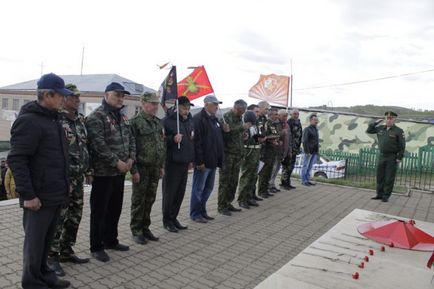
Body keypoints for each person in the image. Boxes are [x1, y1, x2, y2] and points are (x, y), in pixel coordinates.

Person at [8, 73, 72, 289]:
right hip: (38, 196)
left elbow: (56, 158)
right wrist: (28, 195)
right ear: (47, 95)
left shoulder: (53, 119)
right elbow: (17, 160)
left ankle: (44, 274)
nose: (64, 99)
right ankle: (31, 281)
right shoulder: (29, 121)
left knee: (46, 242)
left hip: (54, 193)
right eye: (60, 95)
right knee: (35, 244)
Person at [86, 82, 136, 262]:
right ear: (106, 95)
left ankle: (111, 240)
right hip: (104, 172)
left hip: (120, 172)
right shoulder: (96, 117)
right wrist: (116, 162)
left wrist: (131, 158)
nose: (120, 98)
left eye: (122, 96)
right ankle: (96, 246)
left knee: (115, 208)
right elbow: (98, 145)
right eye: (117, 95)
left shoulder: (122, 116)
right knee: (99, 211)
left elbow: (131, 139)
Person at [47, 84, 90, 276]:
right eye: (74, 97)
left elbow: (85, 148)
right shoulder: (56, 119)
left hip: (78, 177)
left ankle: (66, 250)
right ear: (64, 98)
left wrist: (89, 170)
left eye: (79, 97)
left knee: (75, 215)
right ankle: (51, 256)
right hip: (63, 179)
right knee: (59, 218)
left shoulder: (80, 120)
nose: (78, 100)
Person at [129, 92, 166, 244]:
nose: (155, 106)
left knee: (150, 199)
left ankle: (145, 227)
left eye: (157, 104)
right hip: (141, 168)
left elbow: (161, 145)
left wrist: (161, 166)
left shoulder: (158, 123)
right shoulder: (135, 123)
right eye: (152, 103)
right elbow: (131, 148)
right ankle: (136, 230)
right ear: (143, 104)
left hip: (155, 168)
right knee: (139, 200)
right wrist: (134, 170)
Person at [190, 95, 225, 223]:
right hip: (203, 162)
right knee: (198, 189)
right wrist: (199, 162)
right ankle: (195, 213)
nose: (217, 107)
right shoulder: (199, 119)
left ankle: (202, 210)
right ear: (206, 105)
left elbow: (218, 140)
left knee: (208, 188)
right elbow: (197, 143)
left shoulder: (214, 119)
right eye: (215, 104)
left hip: (213, 160)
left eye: (217, 104)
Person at [162, 96, 194, 232]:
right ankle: (167, 220)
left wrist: (191, 159)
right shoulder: (167, 121)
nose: (186, 110)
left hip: (184, 161)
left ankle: (174, 217)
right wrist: (171, 139)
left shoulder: (189, 121)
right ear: (177, 107)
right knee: (170, 193)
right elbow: (160, 141)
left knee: (180, 193)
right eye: (184, 107)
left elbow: (191, 141)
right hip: (172, 163)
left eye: (188, 107)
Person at [217, 99, 249, 215]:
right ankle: (221, 206)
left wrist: (243, 135)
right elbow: (226, 133)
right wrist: (241, 128)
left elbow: (236, 133)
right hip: (228, 155)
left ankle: (228, 203)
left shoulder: (239, 118)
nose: (242, 113)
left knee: (234, 181)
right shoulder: (226, 118)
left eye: (243, 111)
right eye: (241, 111)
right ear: (235, 108)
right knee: (225, 181)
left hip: (238, 154)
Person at [367, 111, 406, 202]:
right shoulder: (380, 128)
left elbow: (402, 145)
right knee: (380, 176)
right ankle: (379, 194)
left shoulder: (399, 131)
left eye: (391, 118)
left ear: (394, 120)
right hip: (382, 156)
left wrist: (399, 158)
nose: (388, 120)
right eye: (387, 118)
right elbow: (369, 130)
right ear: (385, 119)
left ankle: (386, 196)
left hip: (392, 157)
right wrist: (376, 122)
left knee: (389, 177)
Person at [237, 110, 260, 209]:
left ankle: (249, 197)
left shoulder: (255, 127)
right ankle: (242, 199)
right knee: (246, 177)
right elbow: (243, 139)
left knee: (253, 177)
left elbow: (254, 138)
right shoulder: (244, 127)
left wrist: (259, 139)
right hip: (248, 153)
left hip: (255, 152)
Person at [258, 108, 281, 198]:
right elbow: (263, 136)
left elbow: (276, 134)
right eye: (275, 114)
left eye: (277, 114)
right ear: (270, 115)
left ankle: (265, 189)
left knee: (269, 171)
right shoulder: (266, 123)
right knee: (264, 172)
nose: (277, 116)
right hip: (266, 151)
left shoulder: (274, 124)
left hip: (273, 151)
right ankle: (261, 191)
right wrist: (271, 139)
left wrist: (276, 140)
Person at [268, 109, 288, 193]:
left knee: (276, 169)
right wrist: (282, 132)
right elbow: (273, 134)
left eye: (286, 116)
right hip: (274, 149)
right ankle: (269, 185)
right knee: (273, 168)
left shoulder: (284, 124)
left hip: (281, 149)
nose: (285, 118)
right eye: (284, 116)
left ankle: (272, 184)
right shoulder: (275, 123)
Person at [281, 108, 302, 189]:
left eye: (297, 114)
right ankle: (283, 183)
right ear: (291, 114)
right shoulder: (289, 122)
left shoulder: (298, 122)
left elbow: (300, 135)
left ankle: (288, 182)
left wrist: (298, 146)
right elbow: (288, 137)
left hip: (295, 147)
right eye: (295, 114)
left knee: (291, 166)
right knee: (286, 166)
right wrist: (289, 148)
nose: (296, 115)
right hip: (289, 148)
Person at [301, 114, 319, 186]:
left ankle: (307, 180)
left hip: (314, 151)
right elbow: (304, 141)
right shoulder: (307, 129)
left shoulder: (316, 129)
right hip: (308, 151)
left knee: (310, 166)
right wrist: (307, 151)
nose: (316, 121)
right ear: (310, 120)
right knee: (305, 166)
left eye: (317, 120)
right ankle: (304, 180)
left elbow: (316, 141)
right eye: (315, 120)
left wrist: (317, 151)